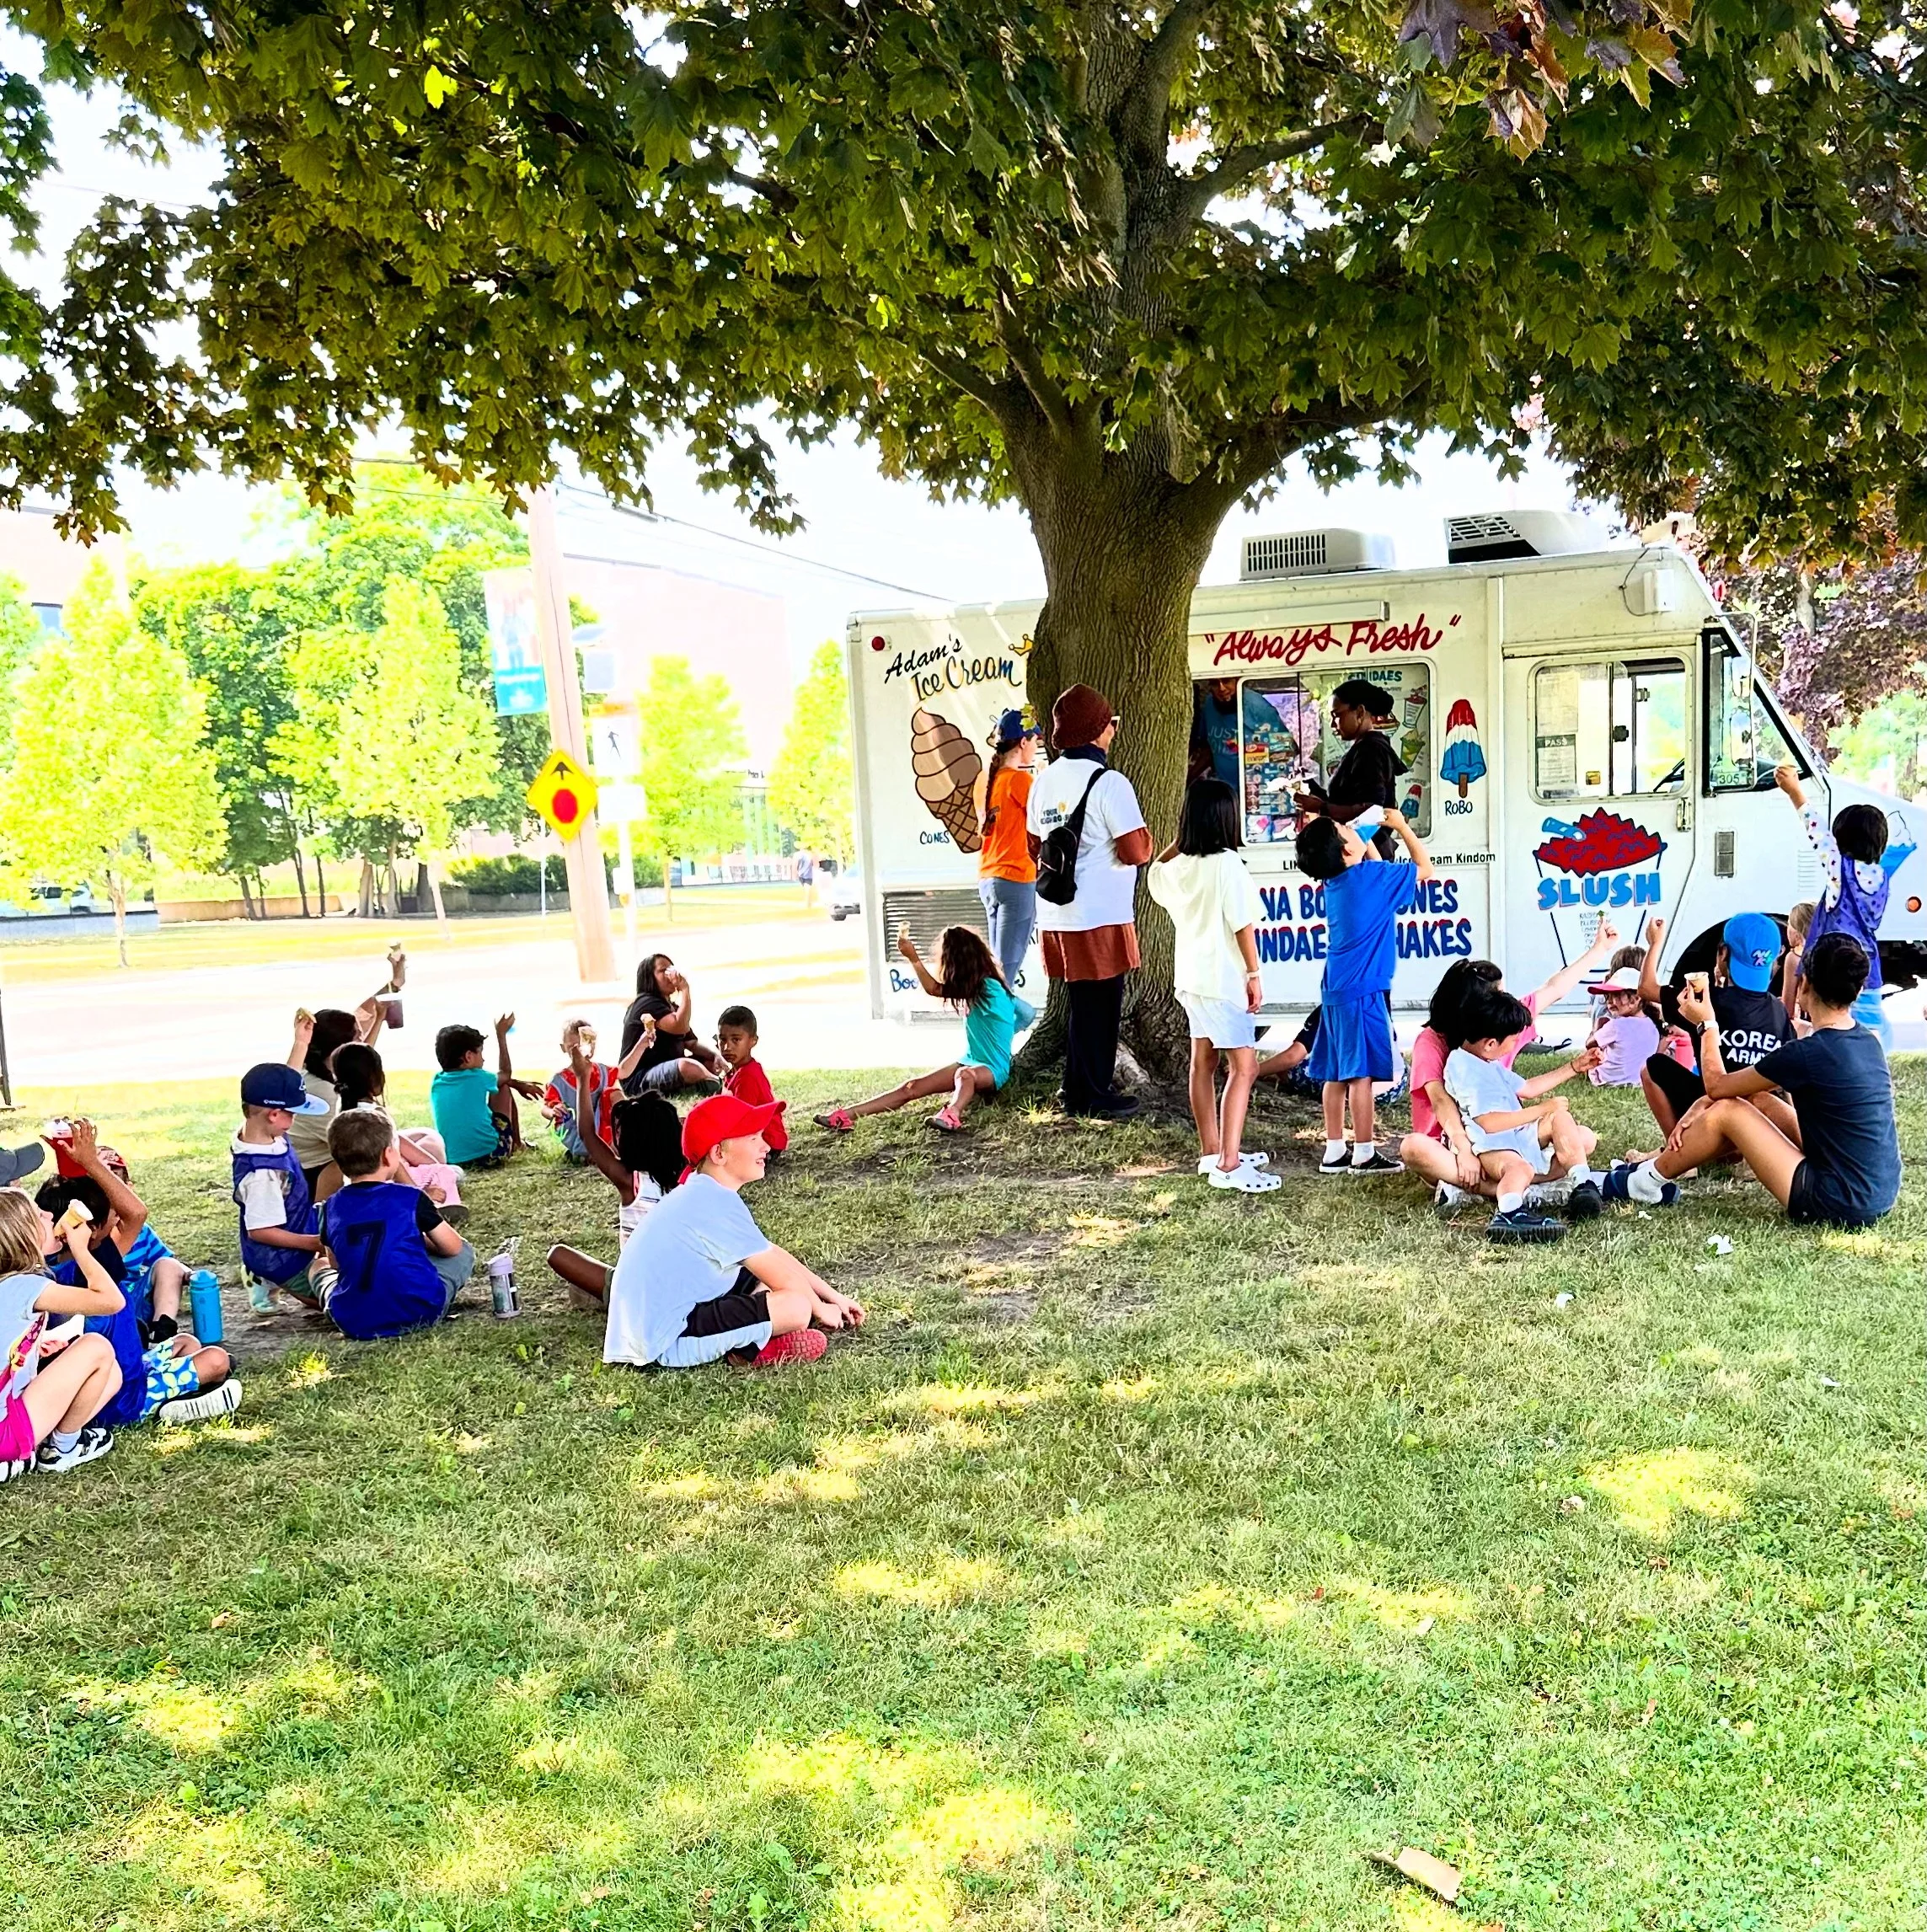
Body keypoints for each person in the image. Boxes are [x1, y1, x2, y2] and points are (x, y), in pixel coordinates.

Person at [1605, 934, 1901, 1227]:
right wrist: (1700, 1104)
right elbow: (1734, 1091)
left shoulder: (1807, 1053)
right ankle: (1668, 1163)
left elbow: (1718, 1086)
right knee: (1760, 1100)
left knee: (1727, 1112)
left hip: (1835, 1201)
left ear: (1805, 984)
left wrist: (1707, 1023)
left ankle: (1643, 1181)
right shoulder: (1866, 1040)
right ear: (1858, 990)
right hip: (1879, 1192)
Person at [602, 1094, 865, 1371]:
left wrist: (834, 1297)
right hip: (665, 1339)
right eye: (753, 1138)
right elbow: (782, 1277)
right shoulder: (712, 1202)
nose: (766, 1146)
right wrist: (818, 1307)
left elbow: (771, 1254)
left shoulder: (705, 1192)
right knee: (797, 1307)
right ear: (719, 1154)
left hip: (665, 1317)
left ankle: (755, 1334)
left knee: (770, 1283)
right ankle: (753, 1350)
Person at [1395, 923, 1624, 1204]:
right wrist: (1465, 1150)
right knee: (1415, 1148)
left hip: (1509, 1141)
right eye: (1500, 993)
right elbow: (1442, 1103)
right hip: (1457, 1144)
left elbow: (1555, 988)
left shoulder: (1506, 1021)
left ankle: (1505, 1184)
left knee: (1584, 1138)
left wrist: (1600, 948)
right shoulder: (1435, 1043)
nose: (1508, 998)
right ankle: (1499, 1187)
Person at [36, 1123, 240, 1431]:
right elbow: (136, 1213)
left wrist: (71, 1165)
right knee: (216, 1359)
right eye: (112, 1217)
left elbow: (98, 1207)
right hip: (122, 1396)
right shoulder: (95, 1260)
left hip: (116, 1374)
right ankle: (169, 1406)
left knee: (186, 1342)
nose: (119, 1218)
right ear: (89, 1229)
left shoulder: (45, 1266)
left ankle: (180, 1392)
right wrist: (90, 1162)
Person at [1027, 683, 1153, 1118]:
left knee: (1083, 1005)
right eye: (1110, 724)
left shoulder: (1041, 782)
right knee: (1101, 1008)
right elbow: (1136, 851)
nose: (1113, 732)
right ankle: (1094, 1094)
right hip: (1101, 913)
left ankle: (1074, 1087)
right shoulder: (1109, 782)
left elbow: (1033, 848)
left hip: (1057, 914)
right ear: (1099, 730)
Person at [1147, 778, 1277, 1192]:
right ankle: (1228, 1162)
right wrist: (1254, 975)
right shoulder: (1227, 865)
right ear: (1226, 819)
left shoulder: (1179, 867)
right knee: (1245, 1066)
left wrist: (1181, 839)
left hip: (1191, 979)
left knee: (1202, 1063)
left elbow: (1154, 870)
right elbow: (1243, 925)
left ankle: (1213, 1150)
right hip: (1223, 980)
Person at [1294, 805, 1431, 1175]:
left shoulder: (1336, 881)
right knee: (1361, 1075)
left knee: (1336, 1073)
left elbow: (1368, 860)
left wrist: (1361, 833)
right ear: (1346, 851)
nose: (1350, 829)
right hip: (1365, 992)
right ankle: (1364, 1152)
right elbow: (1425, 869)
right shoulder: (1370, 879)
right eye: (1343, 828)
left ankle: (1334, 1150)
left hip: (1336, 988)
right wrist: (1401, 827)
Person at [816, 927, 1035, 1134]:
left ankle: (952, 1115)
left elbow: (934, 989)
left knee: (964, 1075)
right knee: (911, 1087)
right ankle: (845, 1116)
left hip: (992, 1068)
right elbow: (1028, 1013)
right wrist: (1008, 1031)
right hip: (969, 1060)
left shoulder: (989, 988)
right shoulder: (985, 989)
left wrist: (913, 958)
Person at [1443, 985, 1605, 1242]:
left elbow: (1528, 1088)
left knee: (1566, 1124)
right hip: (1494, 1146)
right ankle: (1509, 1214)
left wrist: (1574, 1067)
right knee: (1519, 1169)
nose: (1518, 1043)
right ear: (1491, 1044)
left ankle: (1583, 1186)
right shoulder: (1464, 1068)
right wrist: (1540, 1110)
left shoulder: (1488, 1063)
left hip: (1519, 1136)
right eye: (1514, 1039)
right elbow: (1490, 1123)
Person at [315, 1110, 476, 1340]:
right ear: (389, 1155)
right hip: (421, 1311)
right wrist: (420, 1241)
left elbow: (336, 1264)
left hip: (352, 1320)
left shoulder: (329, 1208)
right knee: (465, 1250)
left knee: (318, 1267)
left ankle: (342, 1302)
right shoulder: (411, 1197)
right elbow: (453, 1248)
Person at [1635, 912, 1791, 1144]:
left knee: (1653, 1067)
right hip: (1759, 1124)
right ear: (1776, 957)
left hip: (1711, 1112)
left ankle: (1677, 1149)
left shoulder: (1706, 1002)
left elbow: (1646, 988)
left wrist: (1655, 943)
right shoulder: (1779, 1012)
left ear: (1723, 953)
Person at [0, 1190, 124, 1479]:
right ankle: (62, 1450)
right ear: (24, 1237)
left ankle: (35, 1449)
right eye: (39, 1216)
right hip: (5, 1428)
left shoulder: (8, 1284)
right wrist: (81, 1250)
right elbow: (111, 1301)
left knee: (111, 1373)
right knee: (97, 1347)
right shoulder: (25, 1286)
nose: (50, 1216)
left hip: (9, 1412)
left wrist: (31, 1343)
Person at [1776, 763, 1899, 1047]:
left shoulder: (1840, 872)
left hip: (1835, 969)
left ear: (1842, 840)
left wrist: (1795, 791)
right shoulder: (1883, 878)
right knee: (1867, 1040)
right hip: (1868, 971)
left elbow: (1816, 832)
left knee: (1833, 1038)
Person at [544, 1079, 688, 1310]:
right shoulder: (689, 1178)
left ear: (634, 1141)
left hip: (640, 1295)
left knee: (557, 1254)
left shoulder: (629, 1180)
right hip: (687, 1288)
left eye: (618, 1133)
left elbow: (587, 1133)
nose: (614, 1138)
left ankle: (605, 1299)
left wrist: (582, 1078)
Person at [329, 1041, 468, 1222]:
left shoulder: (342, 1113)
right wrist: (420, 1196)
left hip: (358, 1187)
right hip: (390, 1183)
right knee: (449, 1173)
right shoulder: (376, 1116)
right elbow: (396, 1167)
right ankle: (439, 1208)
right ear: (376, 1077)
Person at [232, 1061, 329, 1308]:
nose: (295, 1119)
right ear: (274, 1114)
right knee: (338, 1298)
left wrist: (301, 1042)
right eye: (293, 1113)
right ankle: (264, 1276)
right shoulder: (262, 1175)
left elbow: (280, 1082)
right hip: (283, 1258)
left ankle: (262, 1275)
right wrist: (313, 1243)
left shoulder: (261, 1131)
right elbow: (260, 1231)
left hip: (298, 1219)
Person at [286, 980, 394, 1196]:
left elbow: (361, 1053)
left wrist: (381, 1015)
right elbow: (367, 1150)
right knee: (404, 1150)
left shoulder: (325, 1073)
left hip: (338, 1160)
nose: (362, 1037)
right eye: (356, 1034)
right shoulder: (324, 1093)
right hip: (317, 1178)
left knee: (426, 1138)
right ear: (339, 1046)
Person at [1294, 678, 1408, 853]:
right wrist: (1311, 789)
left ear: (1360, 712)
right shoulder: (1363, 748)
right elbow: (1348, 802)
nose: (1333, 724)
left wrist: (1320, 807)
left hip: (1368, 856)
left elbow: (1372, 811)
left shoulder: (1371, 750)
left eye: (1337, 715)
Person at [976, 707, 1041, 988]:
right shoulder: (1020, 780)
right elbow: (1044, 822)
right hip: (1016, 879)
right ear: (1023, 742)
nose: (1037, 746)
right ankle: (997, 1029)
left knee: (996, 971)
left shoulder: (991, 783)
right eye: (1035, 741)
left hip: (989, 880)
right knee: (1004, 976)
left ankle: (998, 1025)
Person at [431, 1017, 543, 1168]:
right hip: (490, 1154)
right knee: (503, 1089)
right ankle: (516, 1144)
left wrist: (518, 1084)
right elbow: (505, 1074)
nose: (483, 1060)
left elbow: (499, 1079)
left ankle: (516, 1143)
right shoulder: (478, 1076)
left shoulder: (437, 1082)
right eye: (480, 1053)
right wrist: (501, 1035)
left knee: (501, 1085)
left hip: (453, 1160)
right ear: (469, 1057)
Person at [541, 1019, 651, 1163]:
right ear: (564, 1048)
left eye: (584, 1045)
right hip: (577, 1133)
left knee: (613, 1094)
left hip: (603, 1129)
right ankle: (597, 1152)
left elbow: (624, 1071)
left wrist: (642, 1043)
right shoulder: (560, 1081)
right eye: (573, 1047)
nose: (579, 1051)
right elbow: (545, 1107)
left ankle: (627, 1139)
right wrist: (552, 1111)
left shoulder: (600, 1072)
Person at [618, 954, 724, 1094]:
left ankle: (698, 1086)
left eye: (671, 969)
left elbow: (691, 1043)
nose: (670, 974)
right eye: (663, 971)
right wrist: (685, 990)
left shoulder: (670, 1007)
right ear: (650, 977)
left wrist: (715, 1056)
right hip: (639, 1079)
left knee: (708, 1061)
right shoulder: (646, 1002)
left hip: (668, 1069)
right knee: (687, 1066)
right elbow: (680, 1026)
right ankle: (722, 1086)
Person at [715, 1005, 789, 1153]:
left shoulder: (748, 1075)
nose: (727, 1047)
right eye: (722, 1040)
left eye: (736, 1040)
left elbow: (741, 1121)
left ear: (753, 1041)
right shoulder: (735, 1071)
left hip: (767, 1143)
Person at [1189, 677, 1279, 791]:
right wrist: (1188, 780)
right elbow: (1210, 748)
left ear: (1237, 681)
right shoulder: (1209, 705)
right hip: (1226, 792)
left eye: (1226, 681)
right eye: (1215, 684)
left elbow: (1286, 750)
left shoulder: (1259, 708)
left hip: (1257, 792)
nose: (1221, 688)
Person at [1583, 967, 1661, 1086]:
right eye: (1608, 996)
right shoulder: (1653, 1025)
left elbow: (1590, 1044)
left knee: (1589, 1056)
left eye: (1616, 995)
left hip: (1606, 1080)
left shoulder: (1616, 1025)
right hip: (1639, 1081)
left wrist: (1597, 1028)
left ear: (1637, 997)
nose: (1610, 1001)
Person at [1780, 900, 1815, 1017]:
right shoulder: (1830, 952)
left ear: (1797, 932)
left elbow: (1787, 1009)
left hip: (1809, 1020)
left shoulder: (1794, 958)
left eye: (1789, 924)